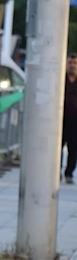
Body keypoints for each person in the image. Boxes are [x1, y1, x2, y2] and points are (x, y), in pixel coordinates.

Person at [63, 53, 77, 184]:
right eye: (70, 63)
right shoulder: (61, 79)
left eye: (74, 63)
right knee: (57, 147)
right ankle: (55, 172)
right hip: (60, 120)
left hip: (75, 121)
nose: (72, 66)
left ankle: (69, 173)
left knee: (73, 148)